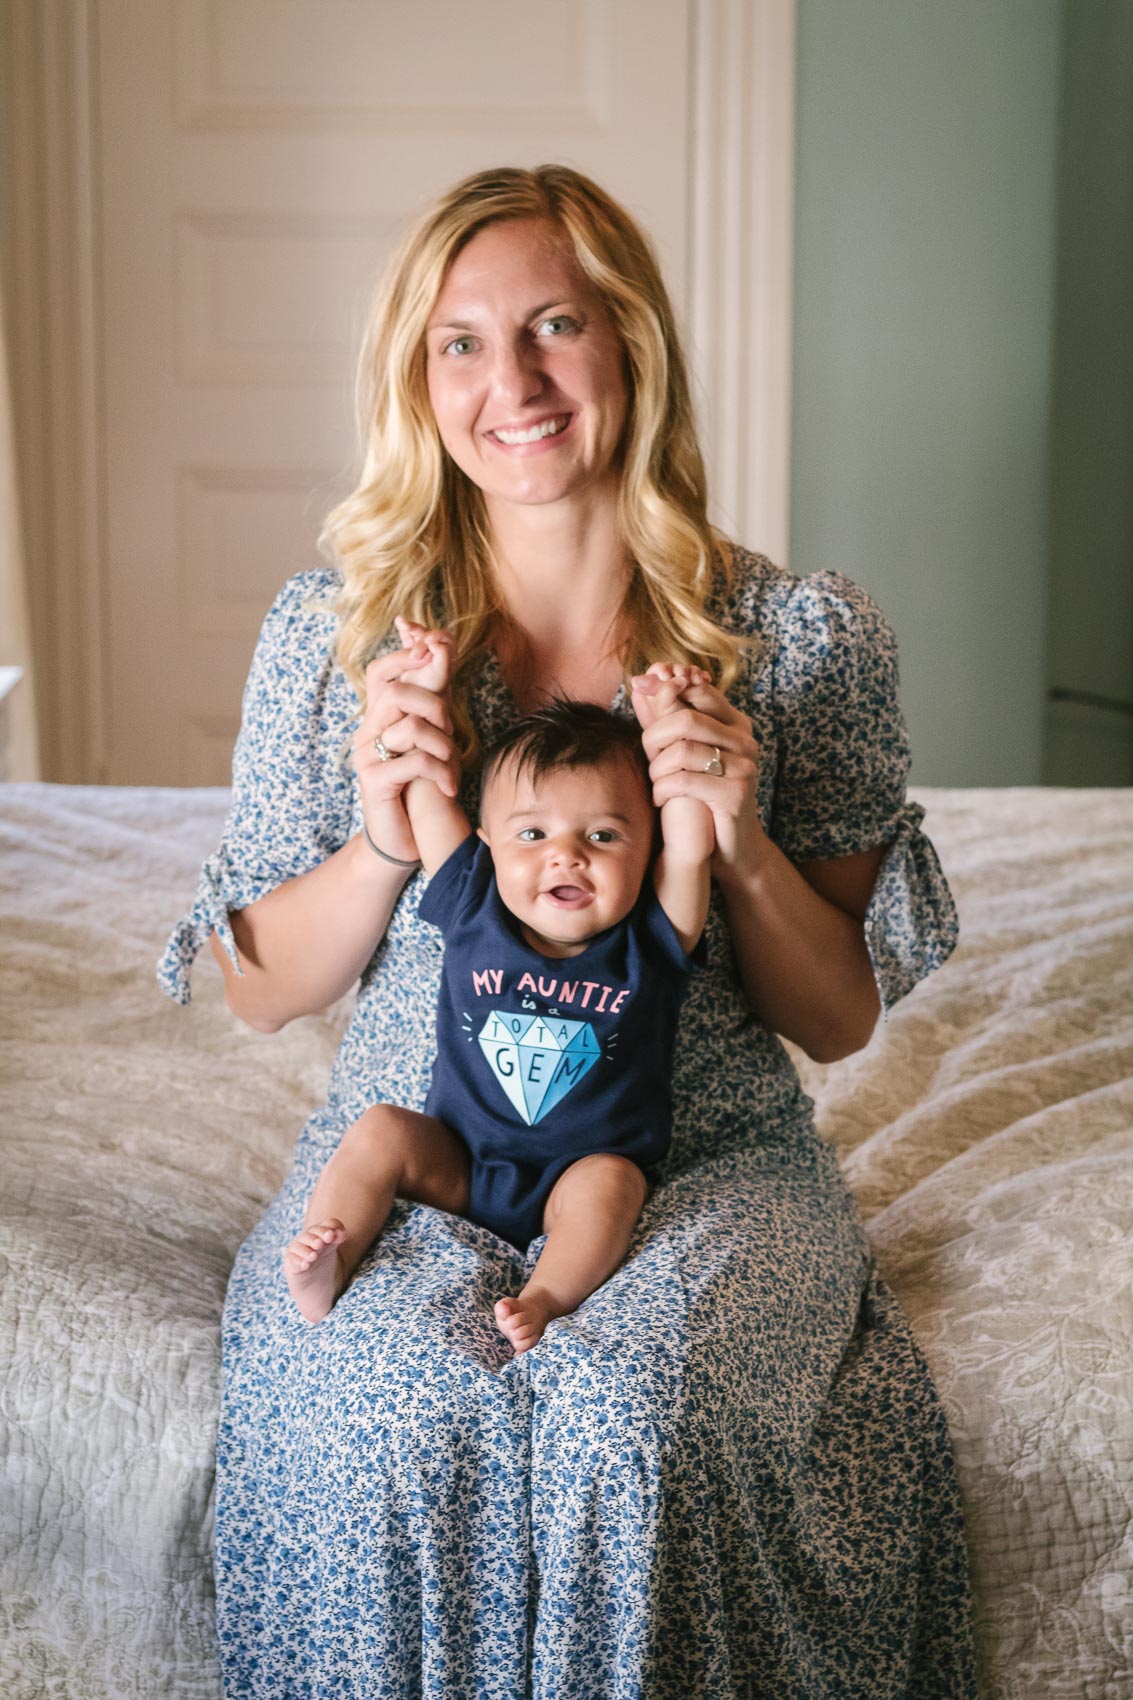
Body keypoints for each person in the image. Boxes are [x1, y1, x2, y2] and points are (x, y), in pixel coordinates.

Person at [160, 163, 977, 1697]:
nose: (512, 383)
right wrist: (378, 838)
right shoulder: (338, 635)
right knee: (386, 1413)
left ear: (632, 348)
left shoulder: (797, 642)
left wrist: (732, 841)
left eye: (554, 327)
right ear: (418, 379)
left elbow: (837, 1015)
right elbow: (259, 991)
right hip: (424, 1148)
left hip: (706, 1155)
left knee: (634, 1422)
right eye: (460, 343)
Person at [284, 637, 711, 1350]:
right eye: (533, 833)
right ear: (486, 843)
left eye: (603, 836)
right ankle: (329, 1251)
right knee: (380, 1130)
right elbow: (426, 791)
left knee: (612, 1184)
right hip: (461, 1159)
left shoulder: (654, 937)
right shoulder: (472, 900)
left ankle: (545, 1295)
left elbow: (693, 842)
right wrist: (428, 692)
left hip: (579, 1172)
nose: (565, 854)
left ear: (648, 850)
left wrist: (671, 722)